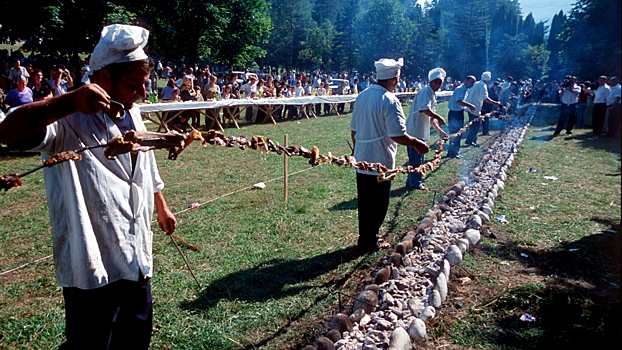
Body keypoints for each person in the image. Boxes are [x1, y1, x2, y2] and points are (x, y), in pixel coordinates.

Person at [0, 24, 176, 349]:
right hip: (93, 263)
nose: (141, 93)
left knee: (135, 340)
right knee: (91, 344)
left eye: (143, 84)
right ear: (104, 79)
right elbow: (8, 132)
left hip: (136, 256)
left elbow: (146, 165)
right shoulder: (67, 119)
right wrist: (69, 102)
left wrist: (160, 204)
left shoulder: (132, 114)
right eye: (132, 85)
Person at [350, 58, 429, 252]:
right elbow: (397, 135)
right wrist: (417, 143)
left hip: (362, 160)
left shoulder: (362, 95)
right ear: (394, 78)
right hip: (380, 162)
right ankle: (370, 240)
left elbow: (353, 130)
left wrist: (357, 150)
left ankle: (366, 239)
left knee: (365, 203)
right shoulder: (390, 100)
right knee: (379, 204)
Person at [405, 68, 447, 190]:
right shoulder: (425, 92)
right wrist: (439, 117)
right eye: (436, 82)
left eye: (440, 82)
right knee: (415, 157)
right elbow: (424, 109)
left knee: (418, 156)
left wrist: (439, 130)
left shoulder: (432, 94)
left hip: (421, 129)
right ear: (431, 82)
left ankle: (412, 180)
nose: (438, 85)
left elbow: (430, 118)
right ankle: (415, 182)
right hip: (415, 128)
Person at [464, 72, 504, 147]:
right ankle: (471, 141)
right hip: (474, 107)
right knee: (476, 125)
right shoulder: (482, 85)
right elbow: (485, 98)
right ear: (488, 79)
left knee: (474, 125)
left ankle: (470, 140)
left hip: (471, 106)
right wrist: (495, 103)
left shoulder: (476, 83)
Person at [446, 75, 476, 158]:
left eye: (473, 83)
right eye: (471, 82)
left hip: (458, 112)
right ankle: (453, 152)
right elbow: (458, 101)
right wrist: (470, 105)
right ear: (466, 80)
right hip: (455, 114)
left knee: (458, 133)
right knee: (455, 134)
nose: (472, 85)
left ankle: (454, 152)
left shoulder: (465, 90)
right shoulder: (460, 89)